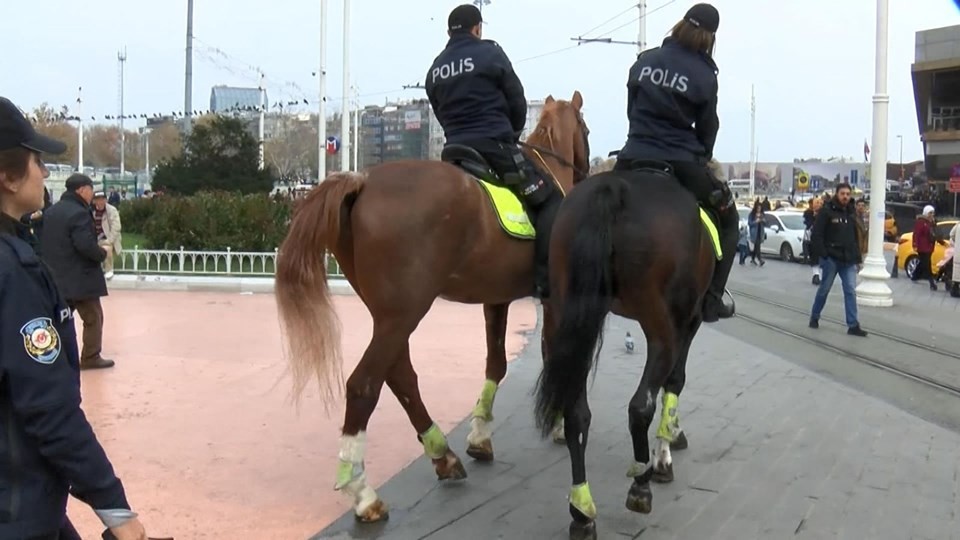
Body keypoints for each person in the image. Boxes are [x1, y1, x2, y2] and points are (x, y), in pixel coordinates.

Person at [0, 96, 148, 539]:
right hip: (18, 509)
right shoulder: (13, 273)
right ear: (7, 177)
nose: (45, 173)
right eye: (37, 160)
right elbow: (48, 408)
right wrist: (116, 509)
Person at [425, 3, 563, 299]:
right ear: (477, 28)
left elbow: (439, 111)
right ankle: (543, 280)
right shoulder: (490, 53)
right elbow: (517, 101)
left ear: (448, 31)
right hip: (494, 147)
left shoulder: (435, 68)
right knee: (552, 201)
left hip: (454, 151)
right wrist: (510, 135)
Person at [612, 2, 738, 322]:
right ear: (710, 36)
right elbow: (708, 126)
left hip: (633, 155)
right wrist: (703, 155)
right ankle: (712, 298)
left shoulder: (644, 61)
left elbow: (630, 110)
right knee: (729, 220)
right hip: (681, 160)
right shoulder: (705, 74)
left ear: (680, 24)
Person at [39, 174, 115, 370]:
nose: (92, 194)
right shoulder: (79, 213)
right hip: (81, 277)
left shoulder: (51, 211)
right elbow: (84, 245)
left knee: (59, 318)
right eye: (91, 189)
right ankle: (90, 356)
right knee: (93, 317)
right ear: (82, 189)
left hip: (56, 275)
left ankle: (51, 355)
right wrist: (101, 253)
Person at [808, 183, 867, 337]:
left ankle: (853, 325)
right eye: (843, 193)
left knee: (850, 291)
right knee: (824, 289)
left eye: (848, 194)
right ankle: (815, 316)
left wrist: (857, 258)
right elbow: (816, 235)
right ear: (837, 194)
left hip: (848, 259)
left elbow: (855, 237)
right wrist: (824, 254)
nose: (845, 196)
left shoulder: (851, 212)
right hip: (831, 258)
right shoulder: (827, 211)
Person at [92, 191, 123, 279]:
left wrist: (109, 240)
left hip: (108, 238)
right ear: (94, 201)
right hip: (95, 238)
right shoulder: (91, 211)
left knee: (107, 248)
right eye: (98, 200)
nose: (101, 202)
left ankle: (109, 270)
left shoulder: (111, 210)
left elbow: (116, 227)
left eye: (103, 199)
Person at [911, 205, 938, 291]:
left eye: (933, 213)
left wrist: (934, 223)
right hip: (922, 247)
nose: (932, 214)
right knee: (927, 264)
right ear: (926, 213)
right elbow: (916, 234)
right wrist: (915, 245)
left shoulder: (931, 222)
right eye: (930, 213)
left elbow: (934, 233)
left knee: (923, 262)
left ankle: (915, 276)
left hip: (929, 247)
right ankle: (932, 283)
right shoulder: (921, 222)